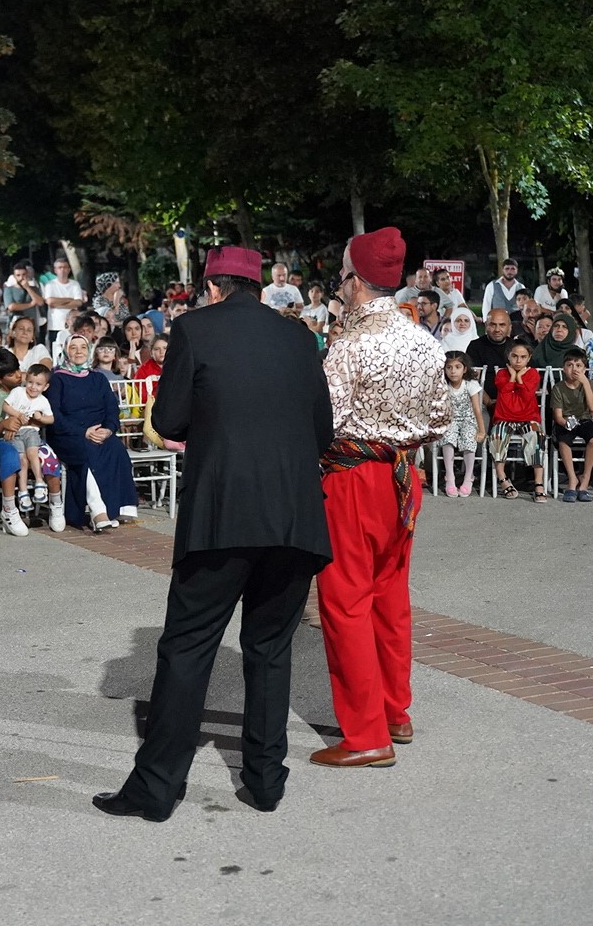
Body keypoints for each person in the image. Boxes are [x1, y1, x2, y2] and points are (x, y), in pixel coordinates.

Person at [95, 245, 333, 821]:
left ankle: (156, 788)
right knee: (271, 650)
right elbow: (322, 429)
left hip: (223, 514)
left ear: (214, 285)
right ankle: (266, 780)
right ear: (258, 287)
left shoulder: (195, 329)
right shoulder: (300, 337)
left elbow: (171, 419)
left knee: (188, 647)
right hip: (294, 516)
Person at [307, 229, 448, 774]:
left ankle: (366, 734)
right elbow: (437, 419)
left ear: (356, 283)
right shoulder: (423, 340)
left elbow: (326, 422)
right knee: (391, 595)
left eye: (342, 274)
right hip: (403, 473)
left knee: (345, 600)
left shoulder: (349, 345)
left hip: (353, 475)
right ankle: (395, 711)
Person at [45, 335, 139, 531]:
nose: (79, 352)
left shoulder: (98, 378)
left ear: (89, 351)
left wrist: (108, 429)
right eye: (73, 348)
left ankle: (120, 508)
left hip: (99, 430)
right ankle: (98, 511)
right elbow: (55, 414)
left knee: (116, 450)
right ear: (65, 351)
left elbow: (112, 409)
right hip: (68, 435)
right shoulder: (57, 378)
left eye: (83, 348)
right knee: (86, 453)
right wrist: (82, 432)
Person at [0, 348, 66, 536]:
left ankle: (56, 503)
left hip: (30, 437)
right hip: (2, 442)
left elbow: (41, 416)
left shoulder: (31, 386)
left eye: (18, 369)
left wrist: (25, 422)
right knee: (11, 457)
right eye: (11, 374)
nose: (19, 375)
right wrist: (5, 424)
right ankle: (9, 509)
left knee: (48, 457)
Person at [490, 340, 546, 501]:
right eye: (514, 356)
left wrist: (519, 378)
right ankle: (503, 479)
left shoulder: (533, 373)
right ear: (508, 356)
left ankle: (538, 483)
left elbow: (528, 396)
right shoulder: (501, 373)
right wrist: (513, 377)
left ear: (529, 358)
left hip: (528, 417)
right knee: (497, 436)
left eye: (523, 357)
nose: (518, 361)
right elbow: (505, 392)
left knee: (537, 437)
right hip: (505, 417)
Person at [550, 349, 593, 500]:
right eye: (570, 365)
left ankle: (585, 478)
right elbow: (558, 416)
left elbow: (592, 409)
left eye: (578, 365)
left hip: (584, 419)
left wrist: (585, 383)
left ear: (584, 369)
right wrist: (566, 424)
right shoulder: (558, 388)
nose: (574, 369)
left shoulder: (587, 384)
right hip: (566, 420)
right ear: (564, 368)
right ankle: (572, 479)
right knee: (563, 442)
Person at [3, 364, 54, 508]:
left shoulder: (43, 401)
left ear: (45, 387)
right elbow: (5, 406)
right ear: (26, 380)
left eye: (38, 384)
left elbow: (51, 419)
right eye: (30, 382)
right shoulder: (18, 392)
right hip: (16, 432)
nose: (33, 387)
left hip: (31, 430)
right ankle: (23, 491)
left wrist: (40, 418)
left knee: (32, 452)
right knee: (22, 460)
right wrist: (18, 414)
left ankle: (39, 482)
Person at [439, 351, 485, 497]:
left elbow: (477, 410)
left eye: (457, 367)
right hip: (450, 419)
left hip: (468, 419)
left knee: (468, 437)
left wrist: (481, 431)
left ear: (464, 369)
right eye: (449, 367)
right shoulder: (443, 385)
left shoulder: (470, 384)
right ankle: (450, 477)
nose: (453, 371)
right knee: (448, 437)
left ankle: (468, 477)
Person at [42, 256, 84, 344]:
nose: (62, 270)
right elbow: (50, 301)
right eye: (60, 267)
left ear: (69, 269)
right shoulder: (50, 285)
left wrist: (57, 304)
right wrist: (70, 299)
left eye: (65, 267)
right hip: (55, 325)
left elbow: (78, 302)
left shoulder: (75, 284)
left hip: (72, 325)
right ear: (55, 270)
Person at [1, 262, 43, 332]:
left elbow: (40, 302)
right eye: (18, 275)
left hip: (31, 326)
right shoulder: (9, 289)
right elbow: (11, 307)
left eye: (23, 275)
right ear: (14, 276)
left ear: (27, 274)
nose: (21, 278)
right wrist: (30, 304)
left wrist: (28, 288)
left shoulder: (34, 289)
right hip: (15, 326)